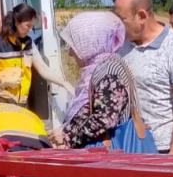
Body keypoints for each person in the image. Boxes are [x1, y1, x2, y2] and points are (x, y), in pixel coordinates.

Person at [113, 0, 173, 154]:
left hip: (161, 149)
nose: (118, 26)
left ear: (142, 16)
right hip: (126, 146)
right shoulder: (120, 47)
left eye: (122, 20)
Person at [52, 11, 148, 149]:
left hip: (111, 157)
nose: (70, 53)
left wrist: (68, 137)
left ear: (89, 42)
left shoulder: (110, 71)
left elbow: (104, 119)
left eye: (74, 45)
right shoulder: (99, 68)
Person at [0, 3, 74, 105]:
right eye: (28, 26)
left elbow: (43, 69)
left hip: (21, 103)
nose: (30, 30)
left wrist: (64, 83)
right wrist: (2, 80)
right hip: (1, 100)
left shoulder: (29, 44)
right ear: (17, 22)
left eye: (32, 27)